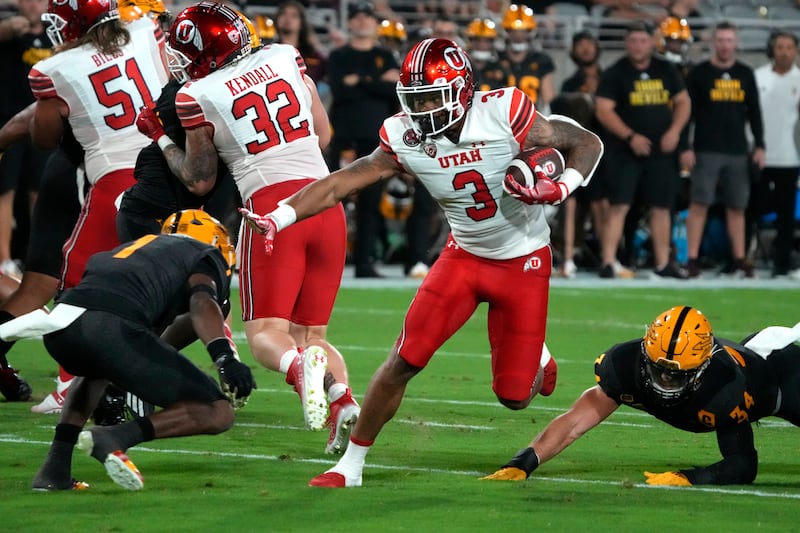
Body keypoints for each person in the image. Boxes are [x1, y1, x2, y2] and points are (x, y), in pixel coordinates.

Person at [239, 37, 604, 488]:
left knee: (514, 397)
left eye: (433, 97)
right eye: (415, 100)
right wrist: (281, 215)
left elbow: (585, 142)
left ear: (463, 90)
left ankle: (537, 359)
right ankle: (350, 465)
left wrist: (560, 187)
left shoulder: (505, 112)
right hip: (463, 258)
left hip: (523, 261)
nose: (424, 109)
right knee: (403, 359)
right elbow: (342, 182)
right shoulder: (403, 136)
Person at [141, 1, 360, 454]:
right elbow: (322, 134)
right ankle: (343, 400)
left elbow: (198, 177)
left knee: (264, 336)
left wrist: (161, 138)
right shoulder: (285, 55)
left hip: (271, 208)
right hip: (326, 199)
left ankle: (302, 374)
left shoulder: (195, 94)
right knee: (312, 336)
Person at [0, 209, 256, 491]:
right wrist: (224, 356)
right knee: (218, 411)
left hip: (61, 327)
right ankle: (114, 438)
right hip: (109, 327)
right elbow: (202, 302)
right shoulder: (203, 255)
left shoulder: (140, 250)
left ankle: (54, 470)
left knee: (96, 369)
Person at [26, 0, 168, 413]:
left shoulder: (54, 69)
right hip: (168, 166)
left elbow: (45, 138)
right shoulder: (144, 30)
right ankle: (145, 375)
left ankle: (72, 382)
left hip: (118, 173)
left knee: (75, 270)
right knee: (167, 278)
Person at [482, 306, 800, 486]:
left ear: (701, 368)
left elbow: (743, 466)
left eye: (676, 374)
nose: (664, 379)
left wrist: (687, 477)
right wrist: (524, 462)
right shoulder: (625, 365)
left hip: (780, 375)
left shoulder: (727, 389)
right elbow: (574, 422)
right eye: (658, 368)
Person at [594, 21, 691, 280]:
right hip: (625, 151)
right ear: (627, 44)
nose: (638, 45)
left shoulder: (666, 69)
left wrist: (675, 132)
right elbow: (603, 109)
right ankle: (608, 262)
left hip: (661, 151)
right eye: (633, 41)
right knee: (619, 205)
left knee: (661, 206)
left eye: (643, 40)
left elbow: (683, 102)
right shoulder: (616, 72)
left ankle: (662, 264)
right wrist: (630, 136)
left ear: (652, 42)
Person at [682, 21, 765, 279]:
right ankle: (692, 259)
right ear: (713, 43)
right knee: (699, 204)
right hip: (706, 149)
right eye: (721, 40)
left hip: (738, 150)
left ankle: (739, 259)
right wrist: (686, 145)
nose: (725, 45)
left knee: (737, 207)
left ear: (736, 43)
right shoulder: (700, 74)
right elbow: (687, 113)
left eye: (730, 40)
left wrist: (760, 145)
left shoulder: (745, 73)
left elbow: (754, 112)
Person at [326, 0, 400, 278]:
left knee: (370, 203)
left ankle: (364, 263)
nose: (361, 22)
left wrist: (359, 81)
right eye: (356, 17)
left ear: (375, 22)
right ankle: (328, 262)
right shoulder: (338, 55)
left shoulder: (385, 54)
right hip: (345, 135)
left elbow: (394, 92)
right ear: (349, 23)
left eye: (367, 17)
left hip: (376, 139)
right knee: (334, 201)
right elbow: (340, 91)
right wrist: (377, 82)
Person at [0, 0, 54, 280]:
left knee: (41, 192)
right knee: (4, 192)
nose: (33, 5)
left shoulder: (53, 32)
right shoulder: (9, 26)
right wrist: (9, 28)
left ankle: (38, 261)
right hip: (7, 121)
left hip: (41, 123)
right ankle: (4, 261)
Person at [550, 29, 608, 279]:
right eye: (580, 45)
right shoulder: (570, 84)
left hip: (605, 151)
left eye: (589, 44)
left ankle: (609, 258)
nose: (585, 49)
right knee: (570, 203)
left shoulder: (609, 79)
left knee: (602, 205)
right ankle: (569, 257)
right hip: (575, 150)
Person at [753, 31, 800, 279]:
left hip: (788, 157)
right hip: (758, 156)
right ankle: (744, 259)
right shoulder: (757, 76)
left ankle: (781, 264)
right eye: (779, 47)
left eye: (789, 47)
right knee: (750, 207)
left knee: (786, 216)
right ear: (772, 49)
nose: (784, 51)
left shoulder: (799, 80)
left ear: (796, 51)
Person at [499, 4, 555, 113]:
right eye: (514, 31)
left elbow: (548, 100)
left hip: (532, 118)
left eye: (523, 31)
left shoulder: (541, 60)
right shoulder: (497, 59)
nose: (518, 36)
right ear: (507, 31)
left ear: (530, 32)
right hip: (501, 117)